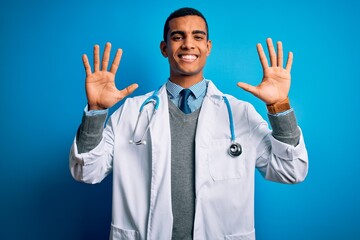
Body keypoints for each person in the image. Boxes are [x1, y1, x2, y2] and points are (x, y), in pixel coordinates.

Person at [70, 7, 308, 240]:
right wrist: (97, 110)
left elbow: (291, 170)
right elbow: (86, 171)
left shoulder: (239, 113)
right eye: (177, 37)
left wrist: (279, 105)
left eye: (198, 36)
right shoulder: (131, 113)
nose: (188, 44)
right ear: (164, 48)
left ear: (208, 47)